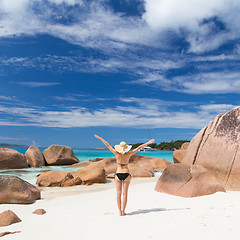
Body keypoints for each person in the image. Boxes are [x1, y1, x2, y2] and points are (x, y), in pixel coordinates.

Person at [94, 134, 155, 216]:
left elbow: (107, 145)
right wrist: (148, 142)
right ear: (126, 148)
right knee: (125, 193)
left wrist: (100, 138)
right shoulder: (128, 154)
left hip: (118, 174)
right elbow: (139, 148)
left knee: (118, 193)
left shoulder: (116, 153)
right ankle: (123, 211)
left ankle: (119, 211)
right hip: (126, 174)